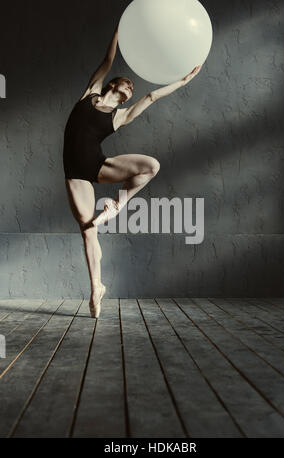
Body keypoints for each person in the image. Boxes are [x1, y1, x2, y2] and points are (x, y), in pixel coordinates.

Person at [63, 24, 202, 318]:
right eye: (128, 85)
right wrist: (117, 30)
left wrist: (183, 81)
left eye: (132, 91)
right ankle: (96, 287)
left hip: (98, 165)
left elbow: (151, 98)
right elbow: (107, 59)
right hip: (75, 172)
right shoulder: (91, 92)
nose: (131, 90)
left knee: (151, 166)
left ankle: (120, 204)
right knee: (88, 230)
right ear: (115, 84)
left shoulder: (121, 116)